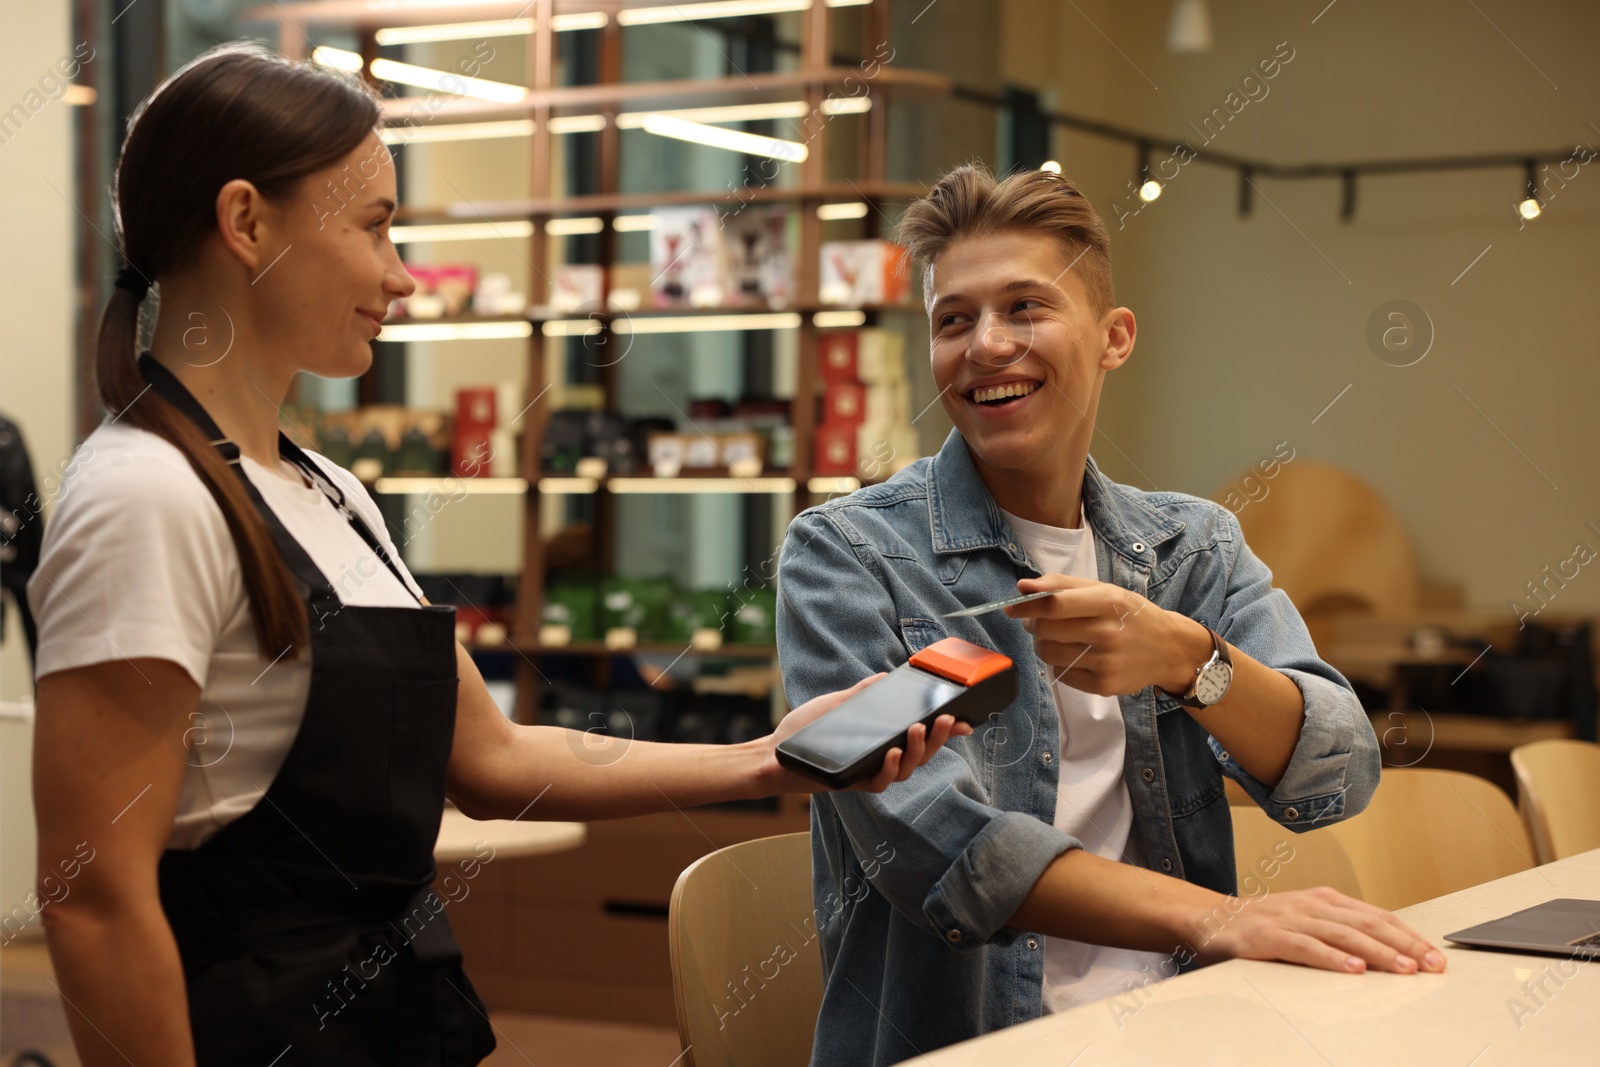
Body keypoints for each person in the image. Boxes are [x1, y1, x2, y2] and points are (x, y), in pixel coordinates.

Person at [27, 45, 967, 1067]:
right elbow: (91, 900)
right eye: (376, 224)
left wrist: (772, 755)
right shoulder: (141, 493)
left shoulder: (329, 492)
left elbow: (492, 757)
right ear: (247, 222)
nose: (400, 272)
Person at [775, 163, 1445, 1066]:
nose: (986, 345)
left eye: (1025, 307)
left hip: (1190, 1031)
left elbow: (1337, 770)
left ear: (1113, 337)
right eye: (954, 319)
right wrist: (1225, 918)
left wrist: (1185, 656)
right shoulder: (847, 557)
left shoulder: (1192, 548)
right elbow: (944, 849)